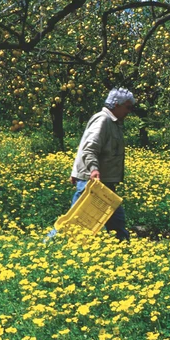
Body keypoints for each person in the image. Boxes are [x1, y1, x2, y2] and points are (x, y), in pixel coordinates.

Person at [47, 87, 135, 241]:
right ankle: (49, 244)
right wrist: (93, 170)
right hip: (92, 182)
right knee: (75, 221)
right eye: (128, 107)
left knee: (117, 223)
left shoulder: (113, 122)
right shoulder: (103, 120)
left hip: (103, 183)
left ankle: (124, 250)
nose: (129, 111)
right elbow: (89, 148)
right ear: (116, 104)